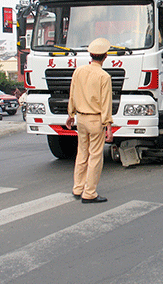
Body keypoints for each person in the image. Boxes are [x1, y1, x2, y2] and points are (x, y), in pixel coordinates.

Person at [66, 37, 113, 204]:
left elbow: (72, 93)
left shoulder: (79, 71)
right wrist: (108, 125)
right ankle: (90, 192)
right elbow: (106, 103)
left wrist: (70, 114)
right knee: (95, 157)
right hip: (96, 120)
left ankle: (78, 187)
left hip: (81, 118)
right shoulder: (104, 76)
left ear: (91, 55)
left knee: (82, 153)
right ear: (105, 56)